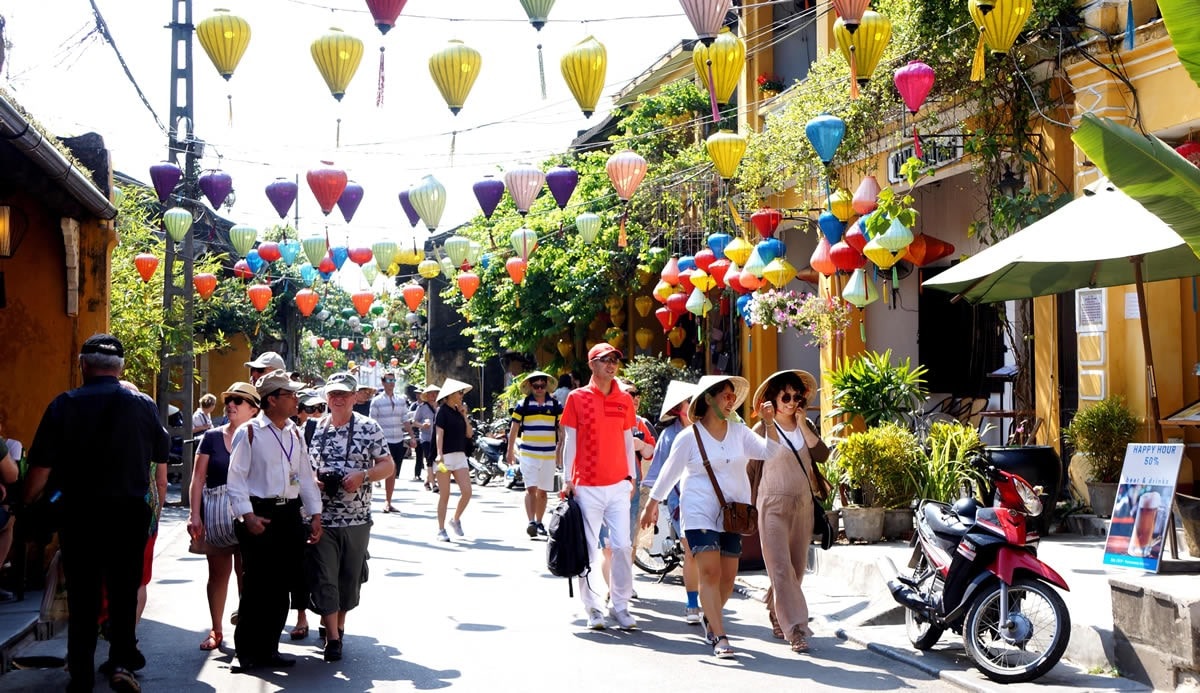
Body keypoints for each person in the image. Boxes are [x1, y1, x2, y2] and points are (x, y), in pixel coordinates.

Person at [24, 334, 169, 692]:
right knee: (123, 593)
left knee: (84, 596)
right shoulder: (143, 404)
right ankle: (121, 664)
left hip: (80, 517)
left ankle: (82, 673)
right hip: (128, 515)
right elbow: (161, 454)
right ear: (120, 369)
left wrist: (24, 502)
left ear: (83, 365)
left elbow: (39, 471)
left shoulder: (63, 405)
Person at [641, 374, 778, 658]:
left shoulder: (739, 432)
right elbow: (670, 472)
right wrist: (652, 503)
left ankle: (709, 617)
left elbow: (770, 453)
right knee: (710, 572)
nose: (731, 402)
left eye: (733, 397)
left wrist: (768, 423)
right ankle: (719, 635)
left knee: (728, 578)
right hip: (699, 511)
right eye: (725, 396)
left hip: (733, 514)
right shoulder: (688, 437)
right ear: (708, 399)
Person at [226, 370, 323, 672]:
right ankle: (247, 652)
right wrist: (247, 515)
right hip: (259, 513)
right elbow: (236, 479)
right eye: (290, 394)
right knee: (256, 585)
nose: (297, 399)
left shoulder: (294, 432)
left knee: (283, 585)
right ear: (272, 399)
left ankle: (269, 649)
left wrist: (315, 512)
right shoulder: (251, 431)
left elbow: (305, 476)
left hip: (289, 514)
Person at [309, 371, 395, 662]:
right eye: (333, 394)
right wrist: (315, 481)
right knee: (325, 576)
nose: (338, 399)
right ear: (326, 397)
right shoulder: (316, 428)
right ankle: (333, 638)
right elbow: (303, 468)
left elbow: (388, 465)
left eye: (344, 394)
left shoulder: (369, 428)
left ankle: (339, 625)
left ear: (355, 397)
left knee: (349, 579)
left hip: (357, 519)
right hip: (323, 517)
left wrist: (364, 476)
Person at [749, 370, 828, 654]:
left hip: (803, 505)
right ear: (773, 398)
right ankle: (796, 630)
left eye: (797, 396)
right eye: (786, 396)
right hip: (771, 504)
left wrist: (804, 424)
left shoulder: (804, 425)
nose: (792, 401)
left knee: (795, 570)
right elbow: (751, 466)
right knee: (781, 569)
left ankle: (775, 609)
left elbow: (822, 455)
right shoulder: (761, 429)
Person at [560, 343, 638, 631]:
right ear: (592, 364)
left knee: (622, 546)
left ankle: (621, 606)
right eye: (605, 360)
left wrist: (630, 477)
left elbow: (629, 439)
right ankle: (593, 609)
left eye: (615, 359)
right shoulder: (577, 398)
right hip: (587, 485)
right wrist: (567, 479)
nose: (611, 364)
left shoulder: (624, 399)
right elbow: (570, 441)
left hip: (618, 484)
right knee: (589, 550)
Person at [188, 382, 259, 651]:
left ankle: (246, 630)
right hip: (216, 515)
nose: (230, 404)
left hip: (249, 514)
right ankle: (216, 630)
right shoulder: (212, 437)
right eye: (229, 399)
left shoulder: (258, 436)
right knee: (218, 574)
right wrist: (194, 514)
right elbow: (197, 479)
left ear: (253, 409)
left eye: (238, 401)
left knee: (247, 574)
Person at [641, 380, 701, 624]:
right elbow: (657, 473)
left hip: (711, 502)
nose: (695, 407)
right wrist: (652, 504)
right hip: (681, 502)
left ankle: (710, 602)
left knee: (712, 555)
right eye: (690, 402)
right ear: (680, 408)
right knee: (692, 552)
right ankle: (693, 603)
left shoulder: (710, 428)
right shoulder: (669, 435)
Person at [598, 379, 655, 594]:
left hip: (631, 487)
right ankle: (613, 589)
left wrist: (641, 445)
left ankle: (622, 584)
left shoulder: (640, 423)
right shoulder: (602, 417)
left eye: (636, 397)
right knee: (609, 546)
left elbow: (651, 452)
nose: (634, 400)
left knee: (628, 542)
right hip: (603, 484)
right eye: (629, 395)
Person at [506, 370, 562, 538]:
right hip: (529, 452)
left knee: (543, 491)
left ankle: (539, 522)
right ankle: (531, 521)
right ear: (530, 386)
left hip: (548, 454)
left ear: (546, 386)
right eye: (536, 385)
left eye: (542, 385)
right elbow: (514, 429)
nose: (539, 388)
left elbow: (562, 429)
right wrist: (509, 451)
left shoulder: (555, 405)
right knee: (531, 488)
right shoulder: (522, 405)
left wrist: (561, 449)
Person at [433, 378, 474, 541]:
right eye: (459, 392)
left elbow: (469, 434)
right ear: (450, 395)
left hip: (460, 456)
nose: (461, 395)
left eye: (462, 392)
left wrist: (465, 416)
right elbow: (439, 434)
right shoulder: (442, 411)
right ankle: (441, 529)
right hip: (445, 457)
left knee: (467, 491)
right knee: (445, 495)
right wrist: (439, 454)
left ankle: (455, 519)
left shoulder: (459, 411)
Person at [370, 370, 415, 513]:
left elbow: (405, 420)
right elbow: (372, 423)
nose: (391, 383)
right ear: (383, 383)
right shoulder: (376, 401)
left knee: (393, 472)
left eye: (393, 380)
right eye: (388, 381)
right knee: (388, 469)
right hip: (383, 441)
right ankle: (380, 500)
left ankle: (388, 501)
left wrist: (412, 437)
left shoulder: (401, 400)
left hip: (398, 440)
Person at [413, 385, 439, 492]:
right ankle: (434, 484)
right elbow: (414, 421)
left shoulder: (440, 407)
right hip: (426, 438)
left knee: (438, 461)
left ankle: (427, 480)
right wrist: (422, 425)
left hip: (438, 438)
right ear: (426, 395)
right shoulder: (422, 407)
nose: (433, 395)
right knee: (429, 459)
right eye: (431, 393)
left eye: (435, 393)